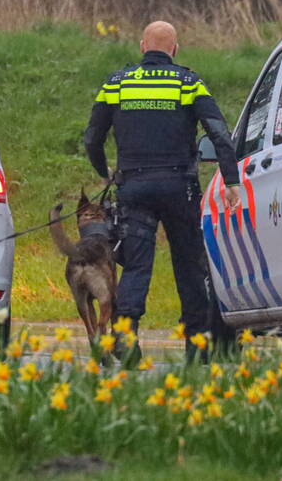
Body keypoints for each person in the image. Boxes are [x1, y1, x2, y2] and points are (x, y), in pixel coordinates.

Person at [84, 20, 241, 360]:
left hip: (134, 187)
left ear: (143, 47)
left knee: (136, 266)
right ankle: (197, 346)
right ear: (175, 48)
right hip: (179, 188)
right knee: (189, 266)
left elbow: (92, 138)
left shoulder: (117, 83)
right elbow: (219, 133)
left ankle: (125, 338)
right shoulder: (189, 82)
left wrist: (104, 172)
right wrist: (231, 181)